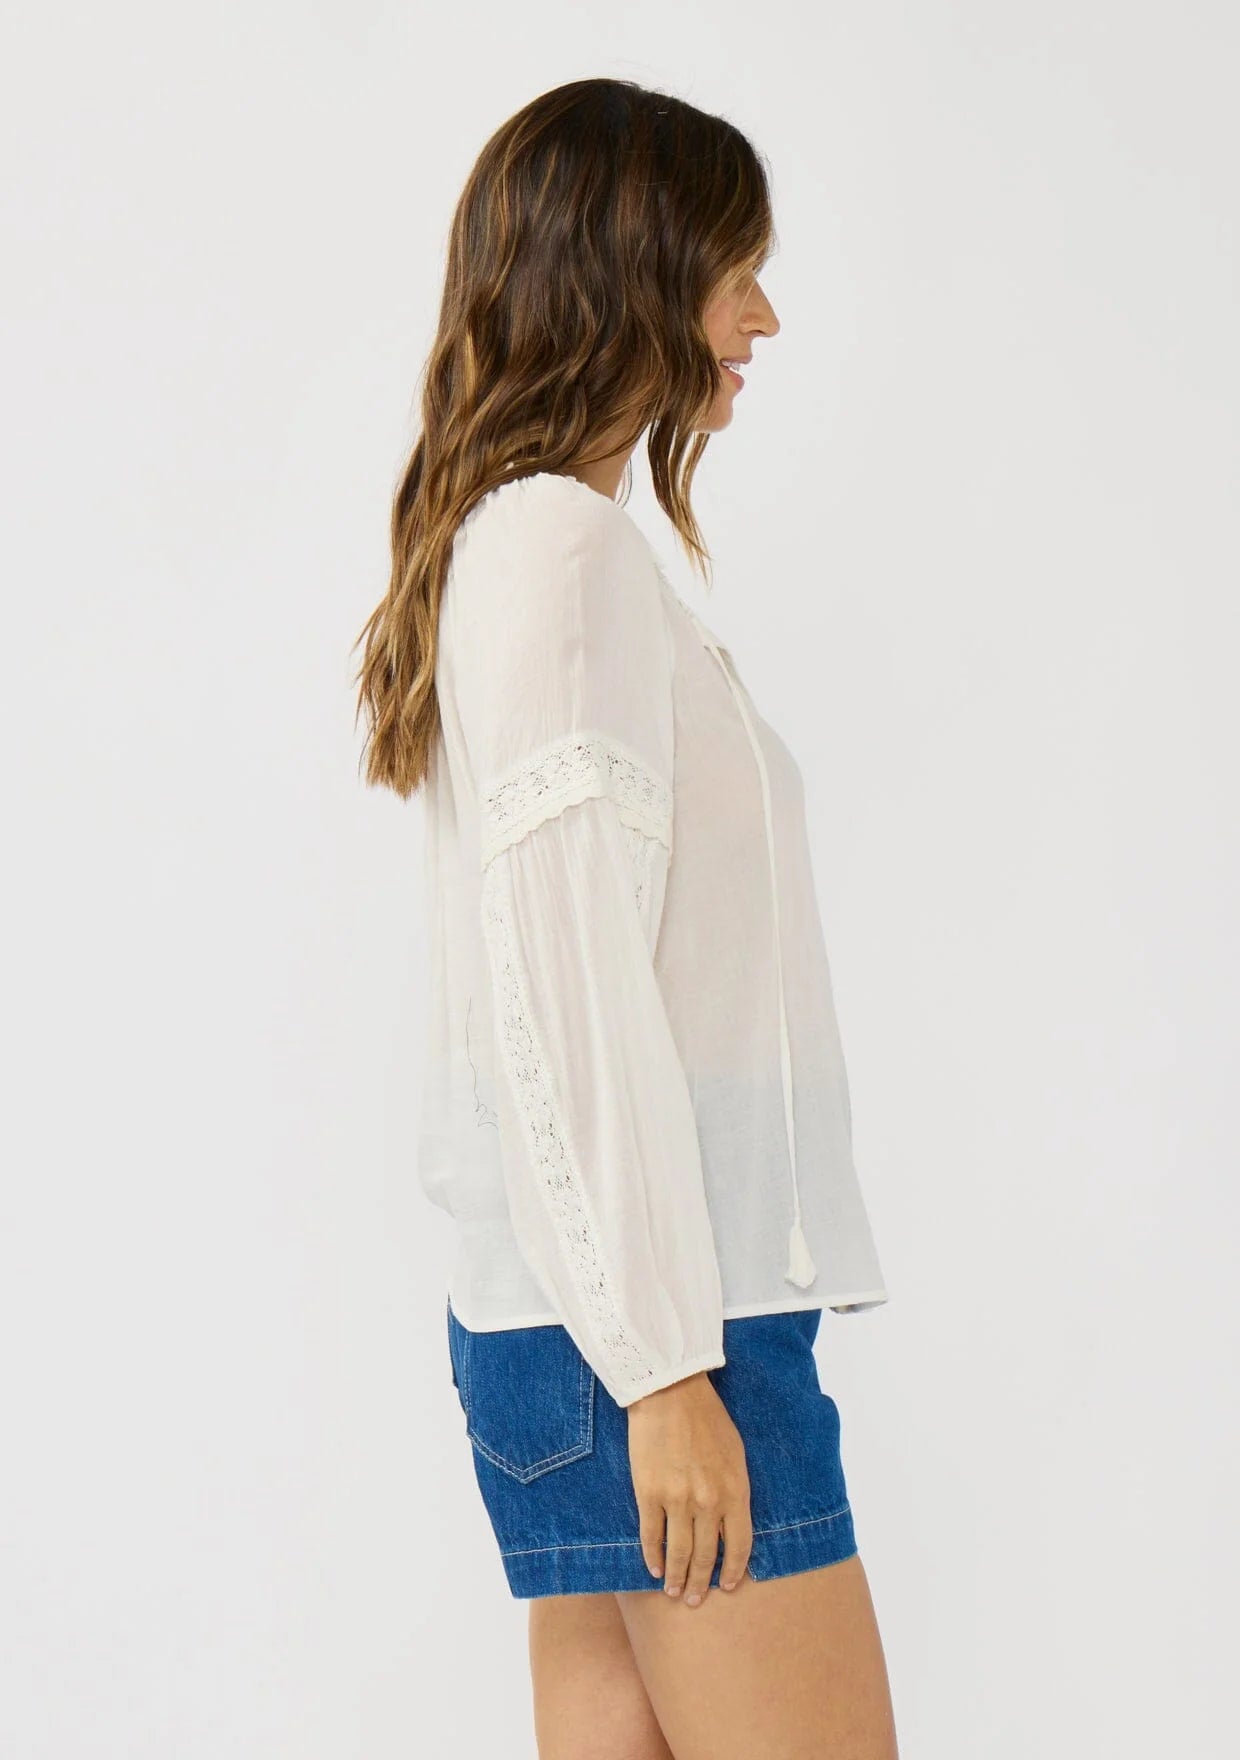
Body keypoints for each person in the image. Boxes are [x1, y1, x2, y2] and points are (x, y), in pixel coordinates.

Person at [353, 76, 899, 1760]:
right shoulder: (558, 556)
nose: (762, 317)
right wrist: (667, 1369)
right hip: (656, 1331)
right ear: (633, 275)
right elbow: (567, 982)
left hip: (587, 1317)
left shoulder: (540, 547)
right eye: (735, 270)